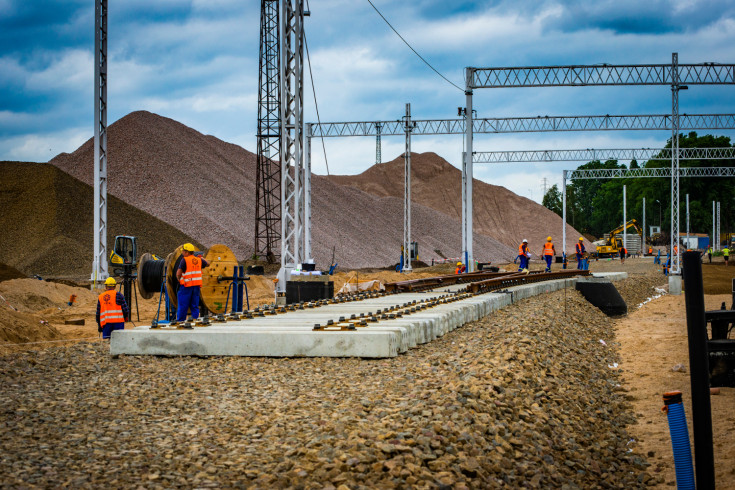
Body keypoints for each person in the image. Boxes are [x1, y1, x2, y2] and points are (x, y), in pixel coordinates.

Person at [176, 243, 210, 321]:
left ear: (187, 252)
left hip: (186, 286)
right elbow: (208, 263)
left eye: (183, 251)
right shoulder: (199, 260)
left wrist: (179, 279)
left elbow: (178, 273)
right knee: (194, 305)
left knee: (183, 305)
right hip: (196, 287)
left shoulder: (184, 260)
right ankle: (195, 321)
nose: (182, 253)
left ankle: (181, 322)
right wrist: (201, 258)